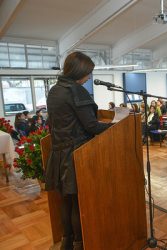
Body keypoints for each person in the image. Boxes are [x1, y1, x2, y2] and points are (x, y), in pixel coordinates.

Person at [45, 51, 112, 250]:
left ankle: (67, 241)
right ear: (79, 71)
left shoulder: (55, 90)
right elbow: (92, 127)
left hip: (58, 153)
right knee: (77, 203)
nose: (89, 77)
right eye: (88, 73)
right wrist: (118, 126)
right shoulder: (75, 91)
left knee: (67, 201)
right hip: (76, 155)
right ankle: (79, 244)